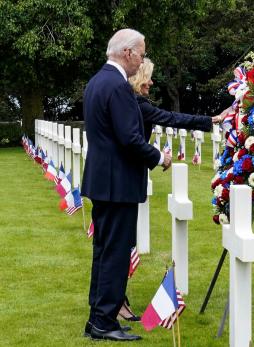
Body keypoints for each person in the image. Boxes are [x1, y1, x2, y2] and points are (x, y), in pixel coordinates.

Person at [115, 58, 224, 322]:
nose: (152, 82)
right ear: (138, 77)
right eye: (149, 77)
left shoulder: (129, 101)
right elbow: (172, 118)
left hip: (121, 180)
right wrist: (212, 119)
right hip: (125, 181)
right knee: (119, 245)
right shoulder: (137, 104)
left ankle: (116, 300)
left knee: (116, 245)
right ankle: (116, 302)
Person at [81, 28, 170, 341]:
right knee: (116, 253)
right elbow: (129, 139)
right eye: (142, 53)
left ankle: (98, 318)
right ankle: (104, 322)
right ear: (128, 53)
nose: (142, 60)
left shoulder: (96, 82)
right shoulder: (118, 86)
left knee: (104, 251)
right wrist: (159, 158)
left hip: (102, 182)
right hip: (117, 184)